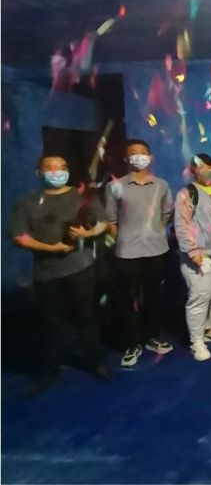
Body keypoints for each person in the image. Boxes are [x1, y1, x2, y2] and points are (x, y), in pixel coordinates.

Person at [10, 154, 111, 394]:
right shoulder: (28, 203)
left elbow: (103, 222)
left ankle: (97, 362)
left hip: (80, 268)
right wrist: (50, 248)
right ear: (39, 172)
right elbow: (19, 236)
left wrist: (87, 234)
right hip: (47, 274)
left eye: (62, 167)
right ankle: (49, 371)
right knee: (51, 323)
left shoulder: (82, 196)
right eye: (51, 168)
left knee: (86, 317)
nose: (57, 171)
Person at [106, 139, 173, 367]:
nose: (139, 157)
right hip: (127, 251)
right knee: (128, 299)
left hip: (156, 248)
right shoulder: (115, 186)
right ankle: (132, 343)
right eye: (133, 153)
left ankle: (152, 337)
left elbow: (166, 214)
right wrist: (120, 241)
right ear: (126, 158)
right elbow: (111, 220)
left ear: (150, 157)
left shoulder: (162, 185)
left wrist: (155, 231)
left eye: (143, 152)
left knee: (154, 295)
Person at [174, 154, 211, 362]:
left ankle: (209, 329)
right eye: (200, 167)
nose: (204, 170)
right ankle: (196, 342)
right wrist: (193, 251)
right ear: (193, 170)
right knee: (200, 297)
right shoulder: (186, 193)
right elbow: (181, 225)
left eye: (208, 166)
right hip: (199, 254)